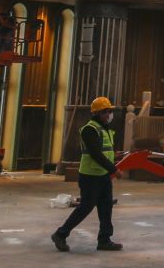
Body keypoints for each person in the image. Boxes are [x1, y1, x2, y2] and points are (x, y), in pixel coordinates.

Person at [52, 97, 124, 252]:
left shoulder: (104, 128)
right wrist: (114, 169)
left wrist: (114, 155)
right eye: (107, 111)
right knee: (86, 207)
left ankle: (104, 240)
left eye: (110, 111)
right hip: (90, 176)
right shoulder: (89, 129)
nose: (110, 114)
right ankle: (60, 234)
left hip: (103, 175)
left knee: (106, 207)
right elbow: (96, 154)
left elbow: (104, 151)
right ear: (98, 113)